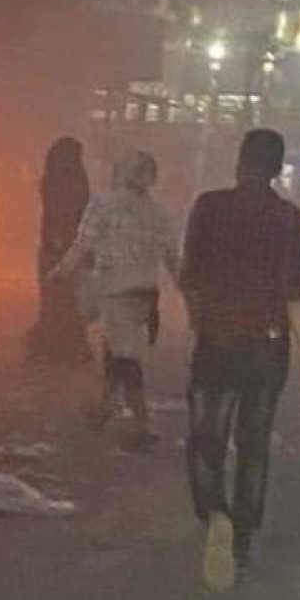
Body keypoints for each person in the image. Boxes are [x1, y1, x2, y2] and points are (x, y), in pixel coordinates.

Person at [179, 129, 300, 591]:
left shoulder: (208, 206)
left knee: (206, 437)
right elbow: (295, 289)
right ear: (278, 170)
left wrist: (200, 318)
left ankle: (214, 511)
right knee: (254, 444)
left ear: (239, 162)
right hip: (267, 344)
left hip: (216, 341)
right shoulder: (287, 217)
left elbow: (190, 276)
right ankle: (241, 541)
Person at [48, 149, 179, 452]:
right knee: (116, 349)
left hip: (114, 290)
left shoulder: (102, 205)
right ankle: (104, 407)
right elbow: (173, 259)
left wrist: (59, 273)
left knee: (124, 356)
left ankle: (142, 424)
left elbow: (82, 245)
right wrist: (187, 291)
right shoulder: (157, 213)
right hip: (145, 295)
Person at [26, 137, 92, 366]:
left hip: (56, 249)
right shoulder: (73, 183)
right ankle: (63, 348)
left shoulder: (52, 182)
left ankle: (54, 347)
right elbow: (69, 216)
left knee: (58, 301)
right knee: (66, 302)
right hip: (64, 248)